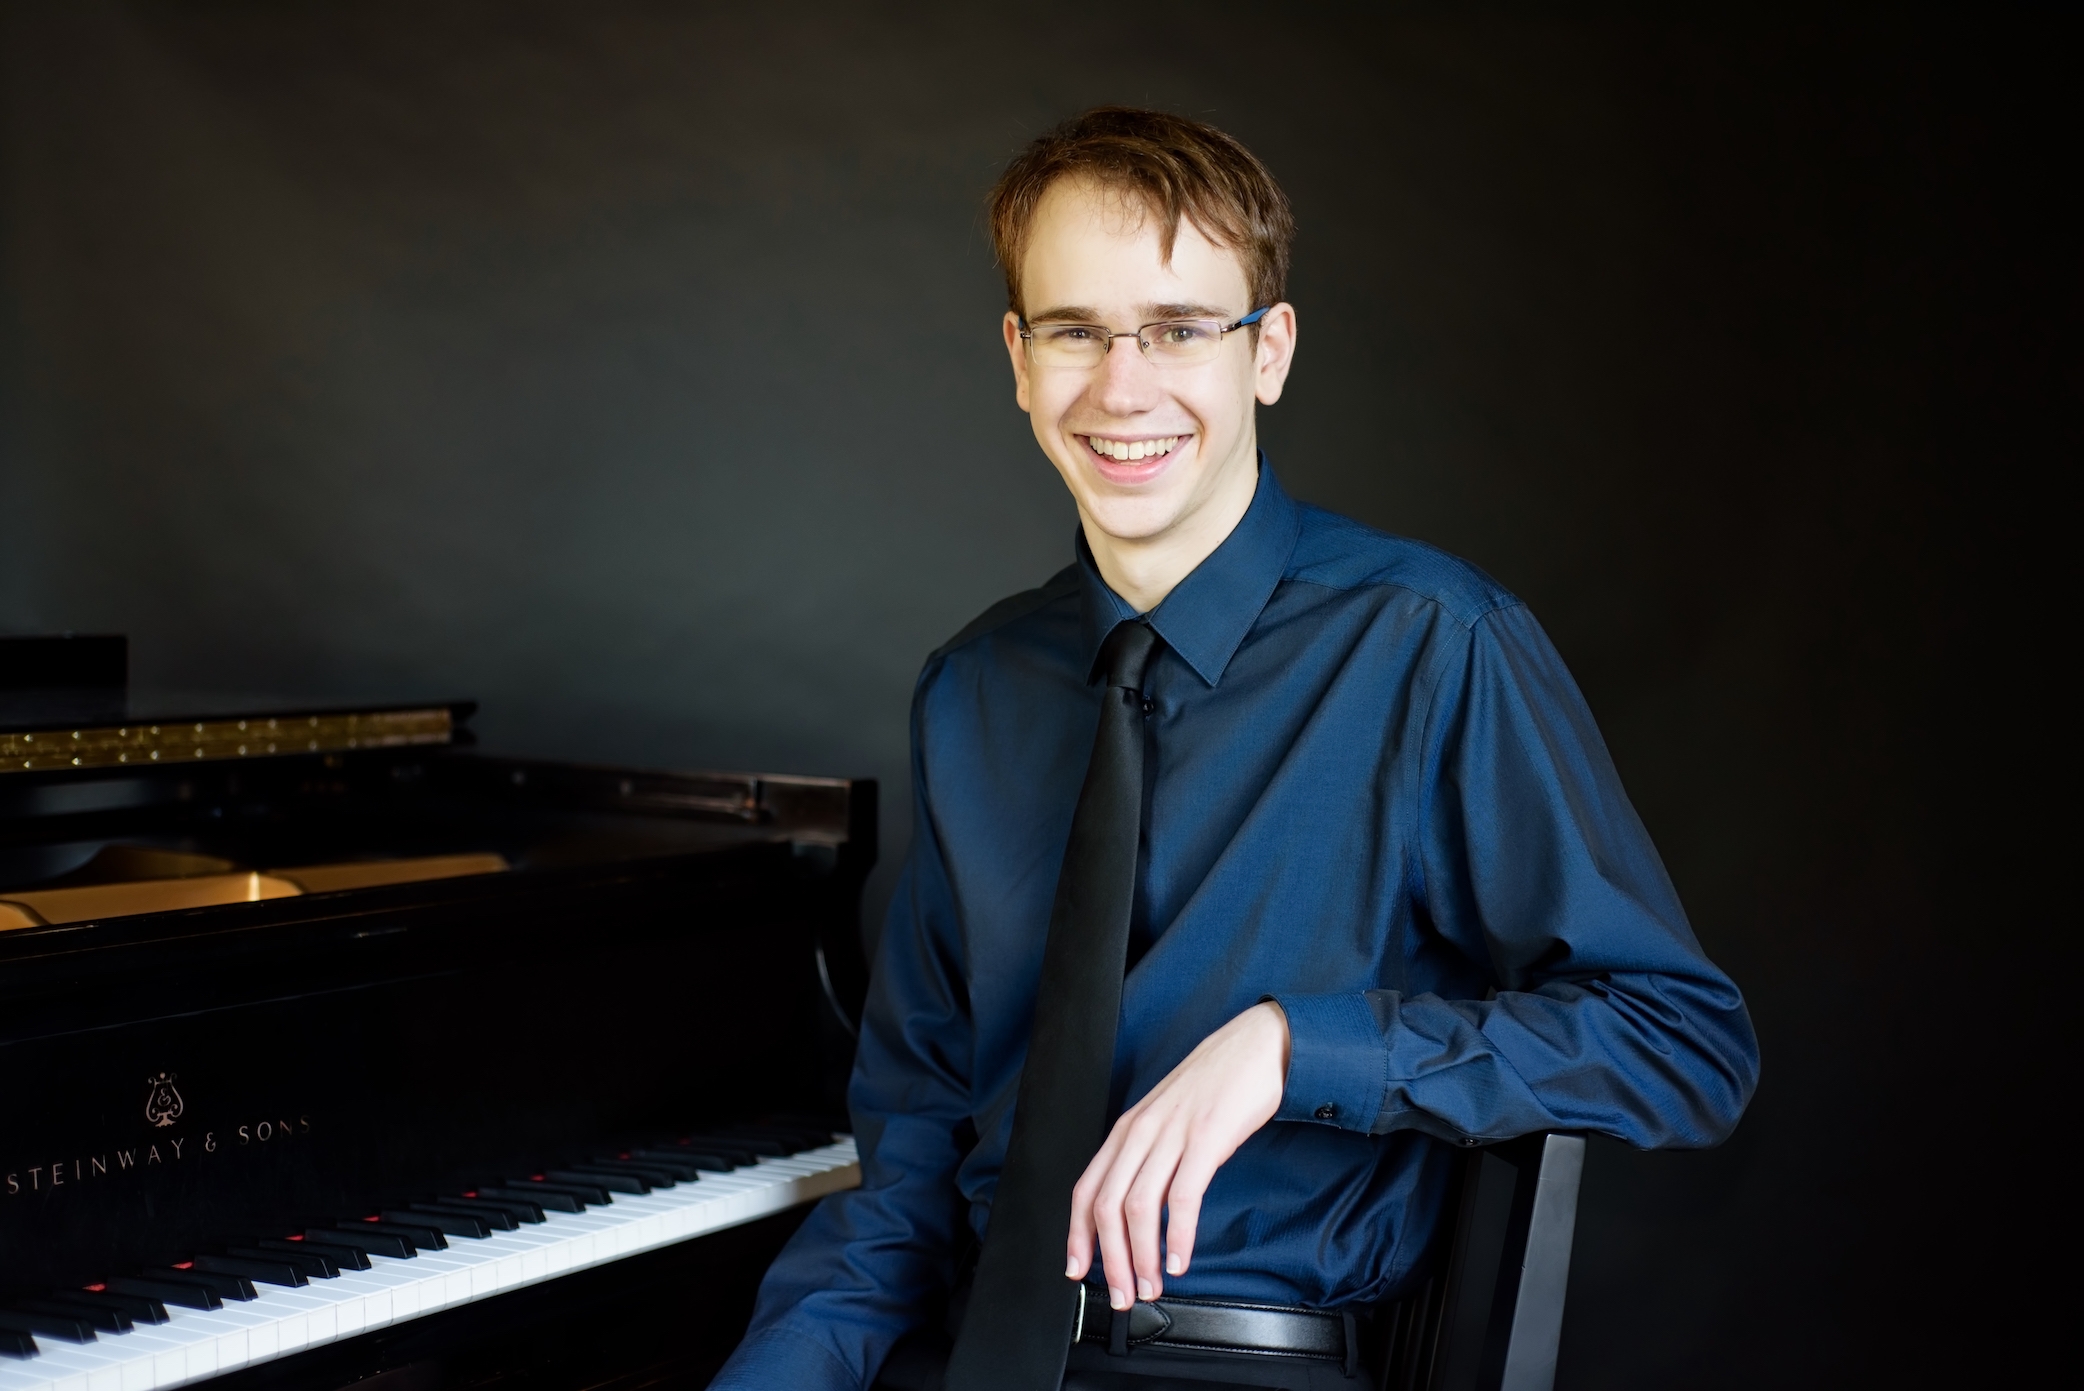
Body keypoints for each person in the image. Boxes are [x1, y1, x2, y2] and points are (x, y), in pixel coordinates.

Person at [709, 107, 1758, 1391]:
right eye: (1075, 330)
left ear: (1267, 352)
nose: (1121, 385)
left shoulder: (1430, 643)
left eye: (1178, 329)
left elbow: (1681, 1040)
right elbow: (914, 1145)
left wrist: (1292, 1047)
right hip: (965, 1352)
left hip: (1242, 1366)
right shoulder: (973, 687)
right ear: (1017, 359)